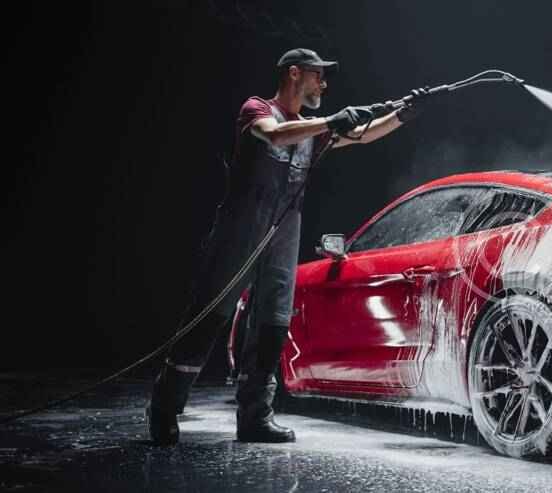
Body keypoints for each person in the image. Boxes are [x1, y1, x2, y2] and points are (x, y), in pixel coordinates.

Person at [147, 48, 430, 445]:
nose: (323, 84)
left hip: (285, 229)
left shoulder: (313, 129)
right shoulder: (258, 109)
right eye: (318, 75)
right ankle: (164, 408)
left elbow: (362, 134)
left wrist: (403, 114)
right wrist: (329, 121)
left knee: (272, 324)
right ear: (294, 73)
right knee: (210, 317)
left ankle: (255, 417)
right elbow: (274, 134)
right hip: (241, 227)